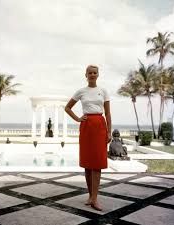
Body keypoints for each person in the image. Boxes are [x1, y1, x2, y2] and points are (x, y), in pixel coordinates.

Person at [65, 65, 111, 211]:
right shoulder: (81, 91)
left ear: (98, 75)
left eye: (94, 72)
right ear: (86, 75)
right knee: (87, 162)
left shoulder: (103, 91)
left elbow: (108, 114)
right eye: (89, 72)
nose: (92, 74)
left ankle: (95, 199)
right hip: (86, 126)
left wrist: (109, 131)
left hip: (99, 126)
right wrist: (78, 119)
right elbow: (67, 108)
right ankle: (91, 196)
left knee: (97, 162)